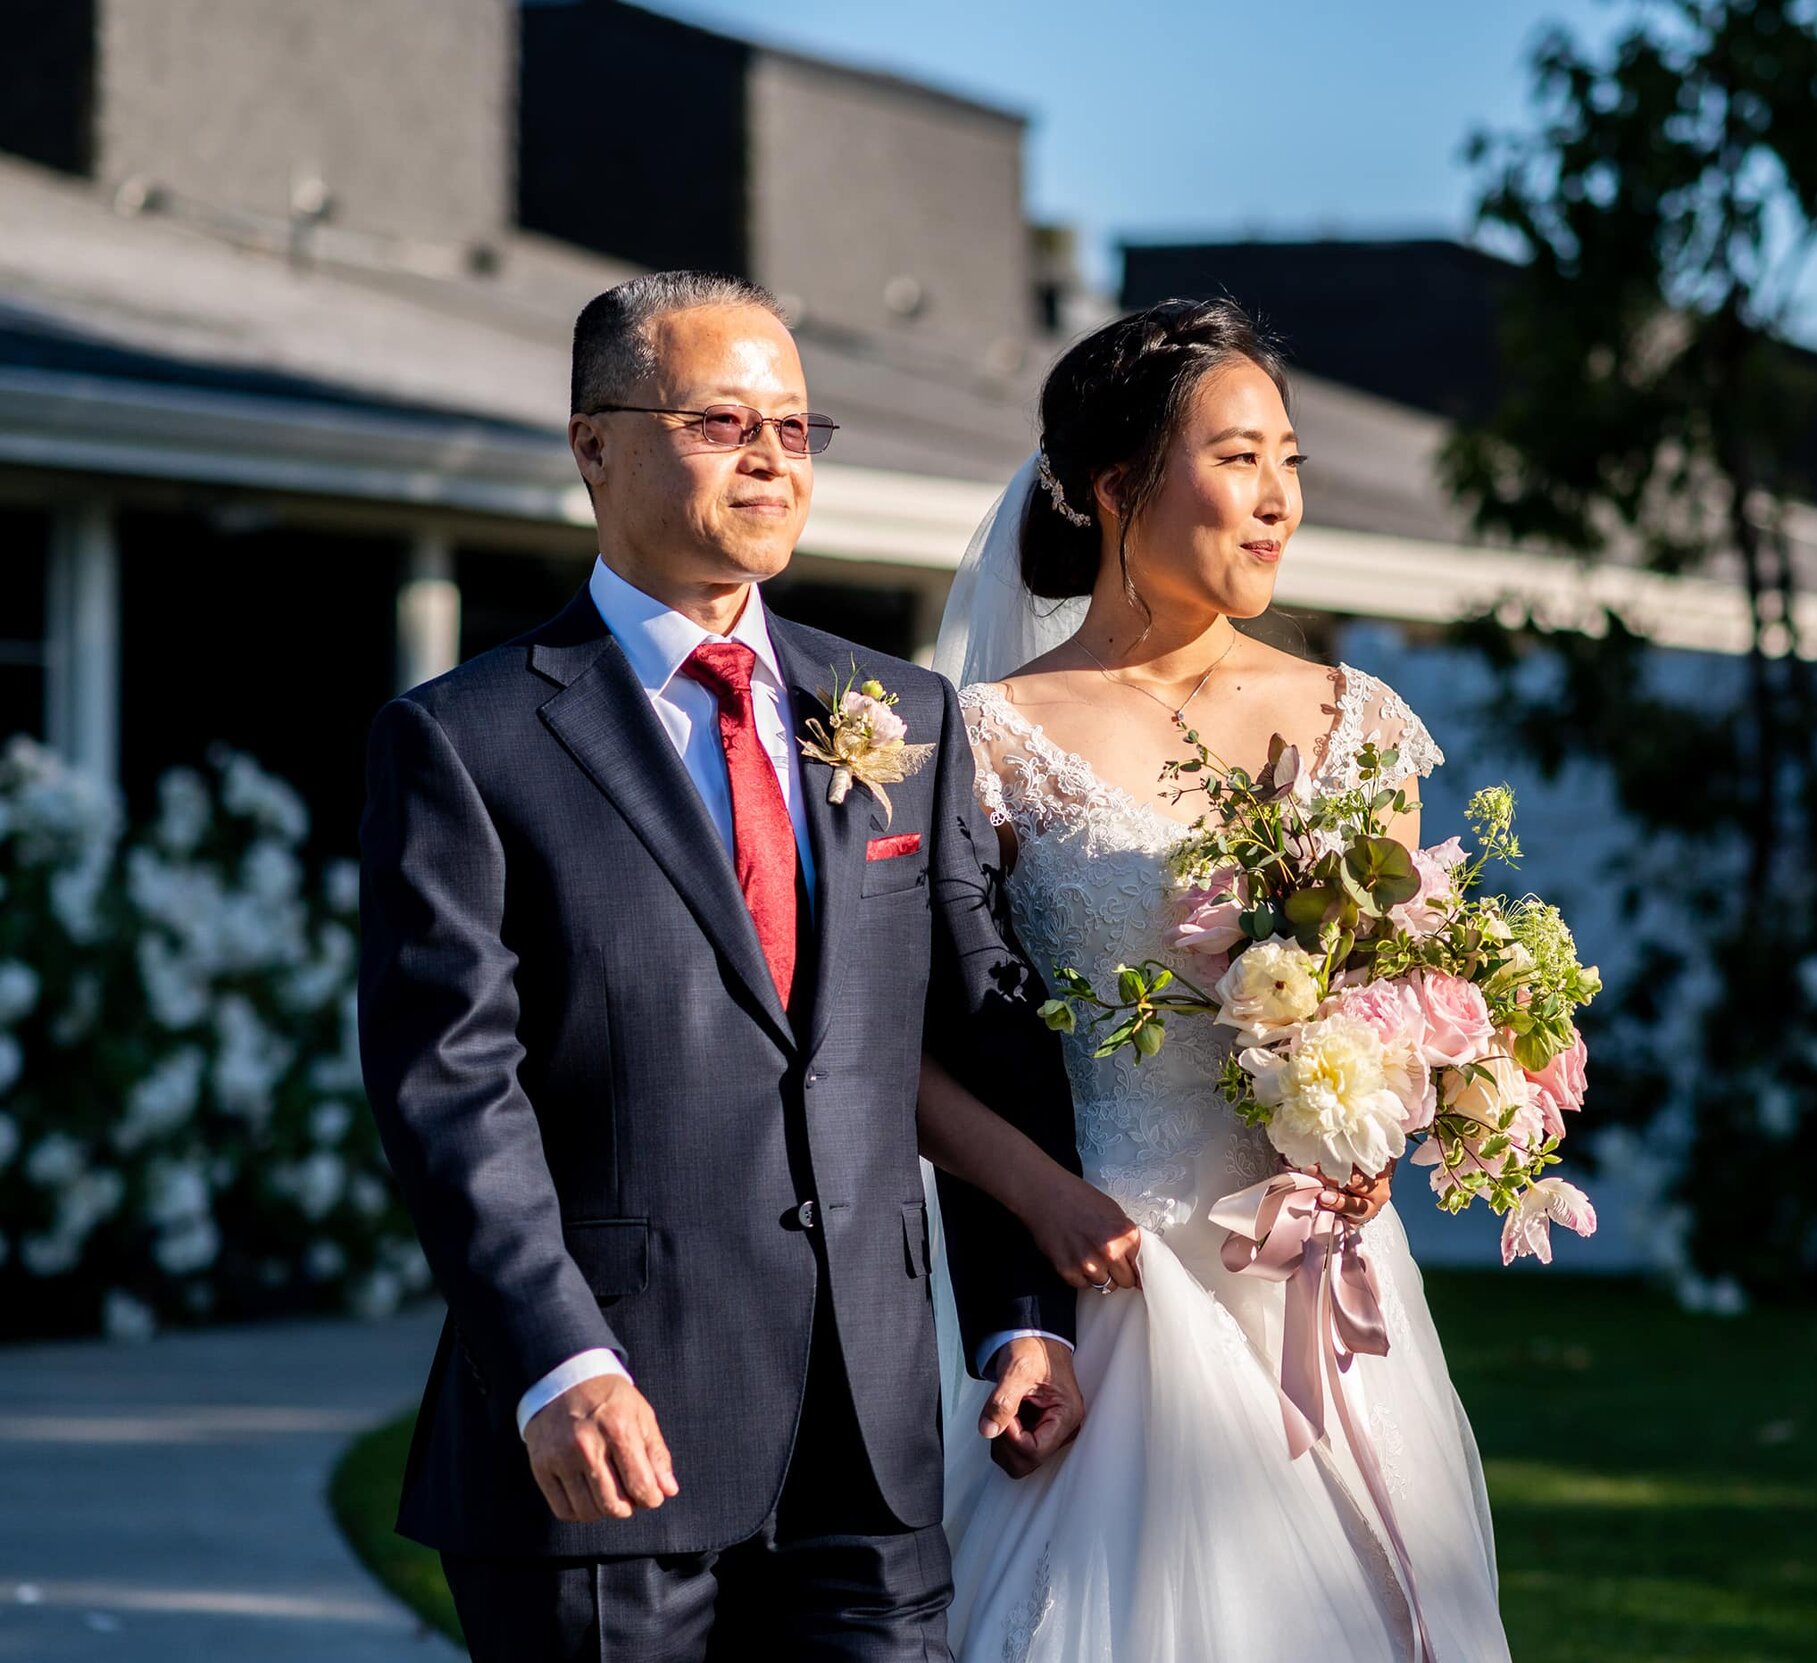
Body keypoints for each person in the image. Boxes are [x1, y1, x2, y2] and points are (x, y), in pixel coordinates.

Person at [358, 270, 1084, 1660]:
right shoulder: (466, 740)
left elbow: (971, 1040)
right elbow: (449, 1089)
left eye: (797, 428)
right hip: (606, 1445)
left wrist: (1019, 1322)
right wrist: (557, 1361)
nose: (770, 458)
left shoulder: (902, 717)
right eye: (723, 421)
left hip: (871, 1449)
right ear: (595, 445)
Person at [919, 299, 1515, 1662]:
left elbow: (1407, 991)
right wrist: (1043, 1195)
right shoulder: (994, 741)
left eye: (1291, 463)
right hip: (1118, 1286)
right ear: (1119, 484)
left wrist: (1389, 1123)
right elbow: (901, 1052)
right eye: (1240, 458)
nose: (1278, 501)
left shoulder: (1355, 720)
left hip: (1329, 1290)